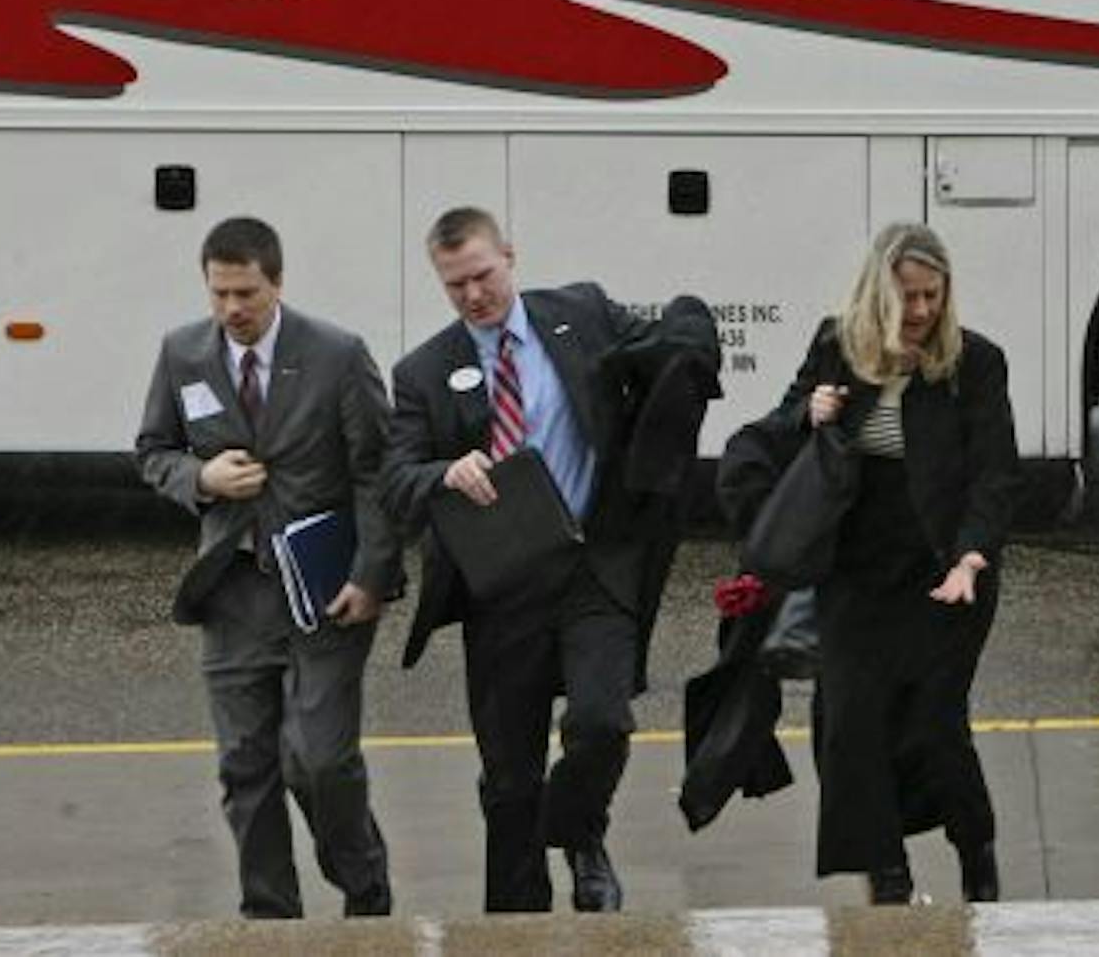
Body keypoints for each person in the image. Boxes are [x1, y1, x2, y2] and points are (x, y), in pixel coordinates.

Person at [382, 206, 718, 913]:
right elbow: (394, 477)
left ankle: (581, 834)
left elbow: (669, 343)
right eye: (455, 286)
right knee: (510, 783)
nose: (474, 295)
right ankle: (515, 924)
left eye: (482, 275)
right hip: (502, 586)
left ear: (510, 255)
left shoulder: (582, 313)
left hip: (593, 568)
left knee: (602, 724)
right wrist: (442, 474)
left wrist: (694, 342)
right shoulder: (423, 372)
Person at [135, 216, 397, 919]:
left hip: (323, 591)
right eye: (219, 294)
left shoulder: (338, 354)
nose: (231, 310)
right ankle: (269, 918)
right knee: (244, 767)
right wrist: (200, 477)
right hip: (232, 590)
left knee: (317, 760)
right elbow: (152, 449)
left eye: (245, 293)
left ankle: (364, 886)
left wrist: (372, 574)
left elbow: (376, 473)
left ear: (277, 283)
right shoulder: (183, 353)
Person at [775, 223, 1018, 905]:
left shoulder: (976, 362)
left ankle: (976, 852)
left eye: (931, 296)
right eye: (905, 297)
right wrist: (809, 412)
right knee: (850, 723)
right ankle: (888, 879)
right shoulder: (836, 346)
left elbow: (994, 474)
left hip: (946, 566)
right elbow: (780, 426)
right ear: (876, 294)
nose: (918, 312)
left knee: (935, 723)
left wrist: (972, 557)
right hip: (855, 572)